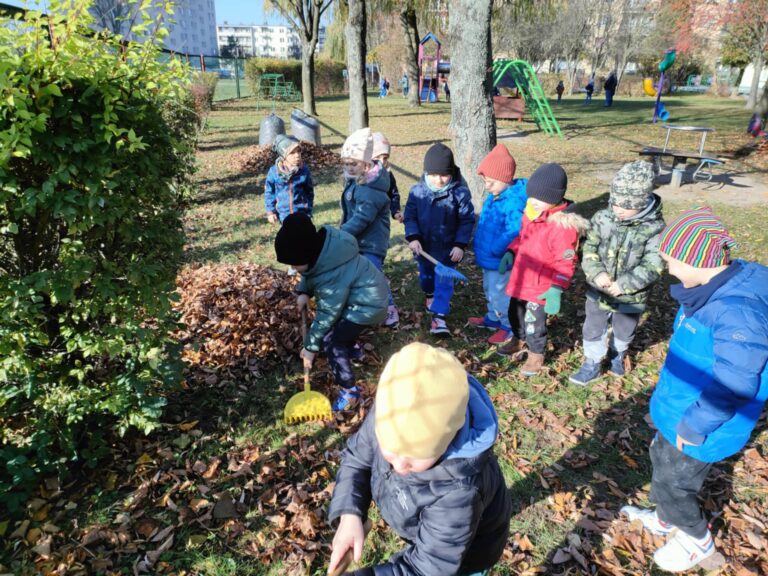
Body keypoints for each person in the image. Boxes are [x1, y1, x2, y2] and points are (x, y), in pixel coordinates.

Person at [620, 207, 768, 573]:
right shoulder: (707, 290)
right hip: (681, 408)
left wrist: (694, 425)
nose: (668, 269)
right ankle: (668, 519)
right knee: (662, 464)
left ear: (696, 261)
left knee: (675, 482)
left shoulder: (737, 313)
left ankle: (695, 541)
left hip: (702, 424)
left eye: (671, 260)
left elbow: (735, 381)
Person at [327, 342, 513, 576]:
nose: (399, 466)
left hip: (467, 557)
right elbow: (357, 459)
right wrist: (349, 514)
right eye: (390, 451)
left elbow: (426, 569)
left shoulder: (459, 493)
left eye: (415, 459)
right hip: (428, 532)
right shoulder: (389, 415)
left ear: (447, 442)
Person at [274, 213, 388, 412]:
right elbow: (312, 272)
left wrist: (311, 346)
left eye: (294, 263)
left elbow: (327, 314)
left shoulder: (332, 275)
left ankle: (349, 390)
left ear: (307, 255)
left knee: (331, 342)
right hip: (362, 299)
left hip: (367, 307)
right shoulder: (326, 250)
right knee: (339, 330)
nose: (292, 268)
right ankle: (353, 349)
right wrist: (304, 291)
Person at [569, 161, 665, 385]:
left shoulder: (655, 228)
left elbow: (654, 264)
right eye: (615, 202)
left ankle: (617, 353)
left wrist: (625, 284)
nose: (618, 209)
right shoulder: (603, 218)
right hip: (598, 289)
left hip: (632, 295)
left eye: (626, 205)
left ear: (641, 202)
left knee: (624, 329)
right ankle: (592, 361)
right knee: (593, 326)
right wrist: (596, 273)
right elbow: (589, 247)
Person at [496, 163, 588, 376]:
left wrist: (556, 287)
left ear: (554, 198)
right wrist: (511, 251)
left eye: (539, 199)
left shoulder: (563, 227)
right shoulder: (531, 213)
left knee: (534, 322)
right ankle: (518, 340)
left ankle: (536, 354)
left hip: (541, 286)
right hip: (521, 278)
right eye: (531, 197)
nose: (533, 202)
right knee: (515, 312)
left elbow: (566, 261)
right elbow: (522, 238)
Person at [404, 143, 475, 336]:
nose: (439, 180)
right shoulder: (417, 192)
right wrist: (413, 237)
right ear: (426, 172)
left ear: (451, 172)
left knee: (444, 282)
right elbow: (410, 216)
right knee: (427, 280)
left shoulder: (460, 193)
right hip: (424, 248)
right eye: (434, 175)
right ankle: (429, 294)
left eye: (444, 175)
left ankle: (439, 318)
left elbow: (467, 220)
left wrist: (460, 244)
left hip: (448, 250)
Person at [468, 144, 528, 346]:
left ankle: (508, 326)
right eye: (485, 181)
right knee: (489, 288)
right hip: (488, 257)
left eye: (491, 182)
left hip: (499, 259)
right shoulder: (495, 195)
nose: (487, 186)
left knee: (500, 293)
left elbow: (514, 229)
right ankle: (493, 317)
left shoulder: (512, 201)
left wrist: (496, 248)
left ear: (506, 179)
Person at [340, 128, 399, 329]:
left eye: (353, 163)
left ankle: (389, 308)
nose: (348, 167)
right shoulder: (357, 180)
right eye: (345, 163)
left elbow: (362, 218)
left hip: (372, 243)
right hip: (359, 240)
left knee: (375, 276)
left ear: (366, 164)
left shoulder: (371, 188)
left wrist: (341, 232)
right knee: (360, 275)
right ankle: (364, 305)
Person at [264, 134, 314, 225]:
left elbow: (309, 191)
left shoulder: (304, 170)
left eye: (299, 152)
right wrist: (271, 211)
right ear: (283, 155)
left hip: (302, 214)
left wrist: (308, 208)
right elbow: (269, 192)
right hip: (284, 215)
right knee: (288, 238)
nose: (297, 155)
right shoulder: (274, 172)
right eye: (292, 153)